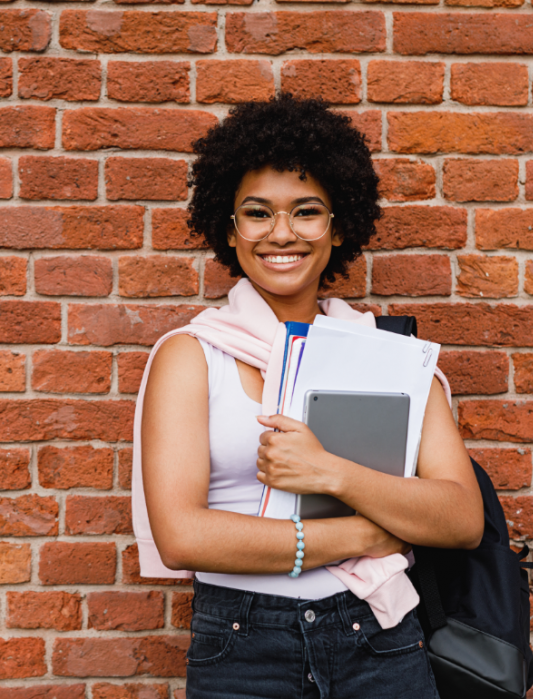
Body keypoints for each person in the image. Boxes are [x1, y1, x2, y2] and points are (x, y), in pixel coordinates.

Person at [132, 96, 485, 698]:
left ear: (339, 224)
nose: (282, 234)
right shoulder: (192, 356)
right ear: (230, 227)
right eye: (258, 213)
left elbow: (460, 518)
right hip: (242, 645)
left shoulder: (389, 358)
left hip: (377, 634)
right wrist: (358, 536)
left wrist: (333, 474)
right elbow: (183, 536)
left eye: (307, 212)